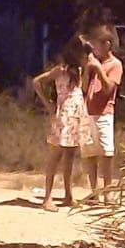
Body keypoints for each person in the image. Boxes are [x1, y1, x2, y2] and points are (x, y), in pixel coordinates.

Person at [32, 37, 88, 208]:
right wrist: (49, 104)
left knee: (70, 155)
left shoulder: (78, 70)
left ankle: (68, 195)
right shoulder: (60, 69)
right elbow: (36, 82)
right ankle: (47, 197)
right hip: (64, 114)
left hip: (76, 114)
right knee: (55, 155)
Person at [80, 24, 123, 204]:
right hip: (87, 111)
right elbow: (83, 88)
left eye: (97, 45)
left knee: (106, 152)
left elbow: (108, 89)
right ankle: (94, 190)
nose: (95, 49)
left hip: (104, 113)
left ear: (107, 44)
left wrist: (98, 68)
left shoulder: (115, 65)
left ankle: (108, 192)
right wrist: (88, 71)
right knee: (89, 152)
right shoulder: (92, 64)